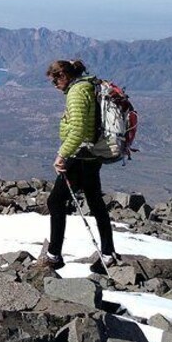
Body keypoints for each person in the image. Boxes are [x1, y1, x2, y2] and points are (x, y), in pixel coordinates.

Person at [39, 59, 117, 271]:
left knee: (55, 202)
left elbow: (79, 129)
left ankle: (54, 255)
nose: (54, 85)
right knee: (95, 202)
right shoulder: (87, 86)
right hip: (91, 155)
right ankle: (108, 254)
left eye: (55, 80)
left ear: (63, 76)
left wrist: (62, 155)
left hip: (80, 155)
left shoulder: (76, 92)